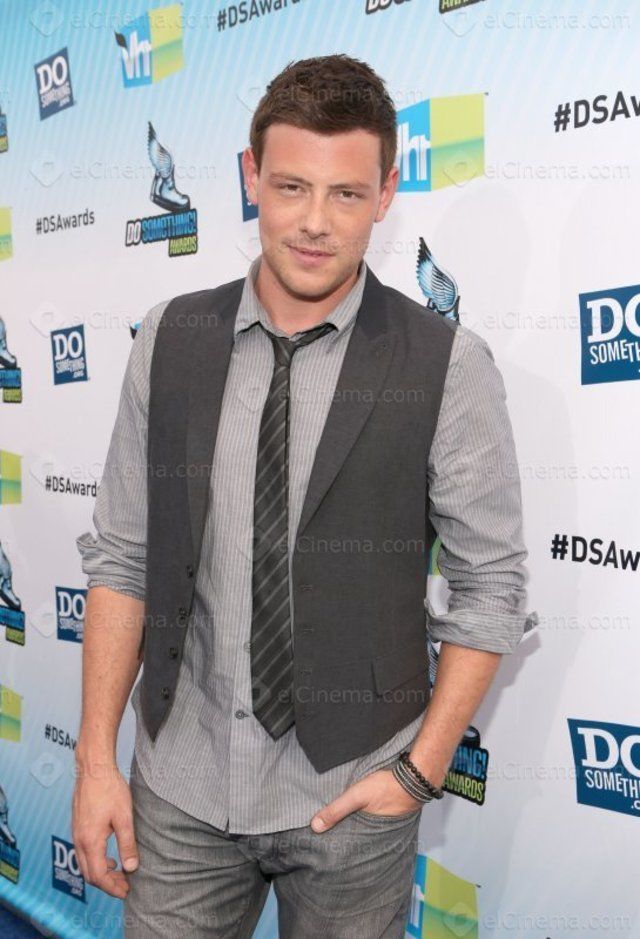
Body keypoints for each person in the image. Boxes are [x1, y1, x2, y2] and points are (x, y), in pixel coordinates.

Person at [72, 54, 537, 938]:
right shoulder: (170, 338)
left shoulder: (447, 365)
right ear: (251, 178)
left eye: (347, 194)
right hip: (181, 787)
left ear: (387, 193)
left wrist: (418, 772)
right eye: (291, 187)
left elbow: (492, 587)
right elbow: (124, 555)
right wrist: (96, 758)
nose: (316, 222)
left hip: (354, 796)